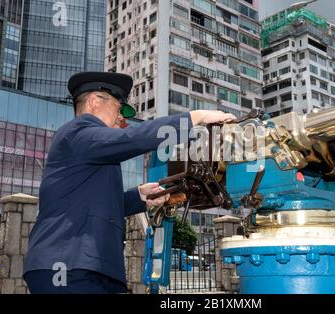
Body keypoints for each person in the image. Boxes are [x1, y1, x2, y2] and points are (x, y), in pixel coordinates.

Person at [23, 72, 236, 294]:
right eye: (119, 107)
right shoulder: (78, 132)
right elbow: (132, 138)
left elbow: (98, 206)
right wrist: (195, 118)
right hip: (66, 263)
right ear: (95, 101)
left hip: (90, 266)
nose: (121, 119)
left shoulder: (91, 149)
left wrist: (139, 197)